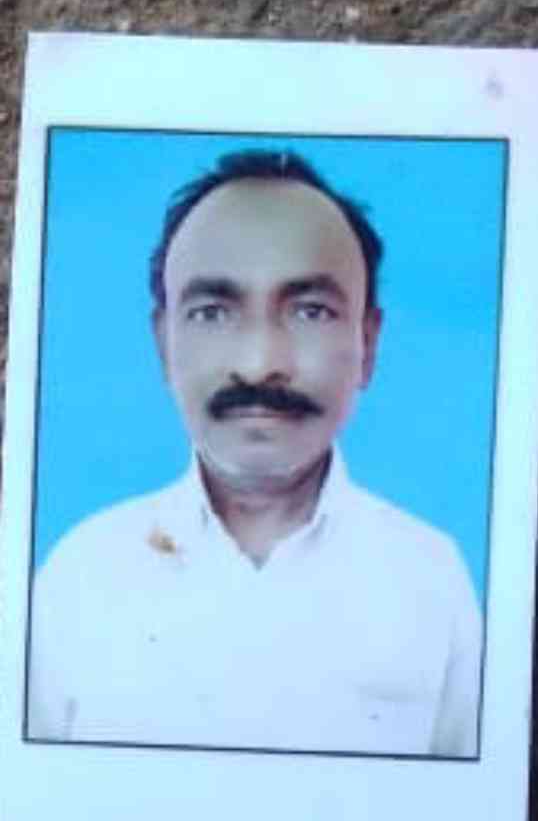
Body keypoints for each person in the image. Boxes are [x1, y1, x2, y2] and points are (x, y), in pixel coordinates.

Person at [28, 150, 482, 757]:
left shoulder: (433, 580)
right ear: (164, 344)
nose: (259, 362)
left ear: (368, 343)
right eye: (212, 312)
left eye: (310, 311)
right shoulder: (79, 576)